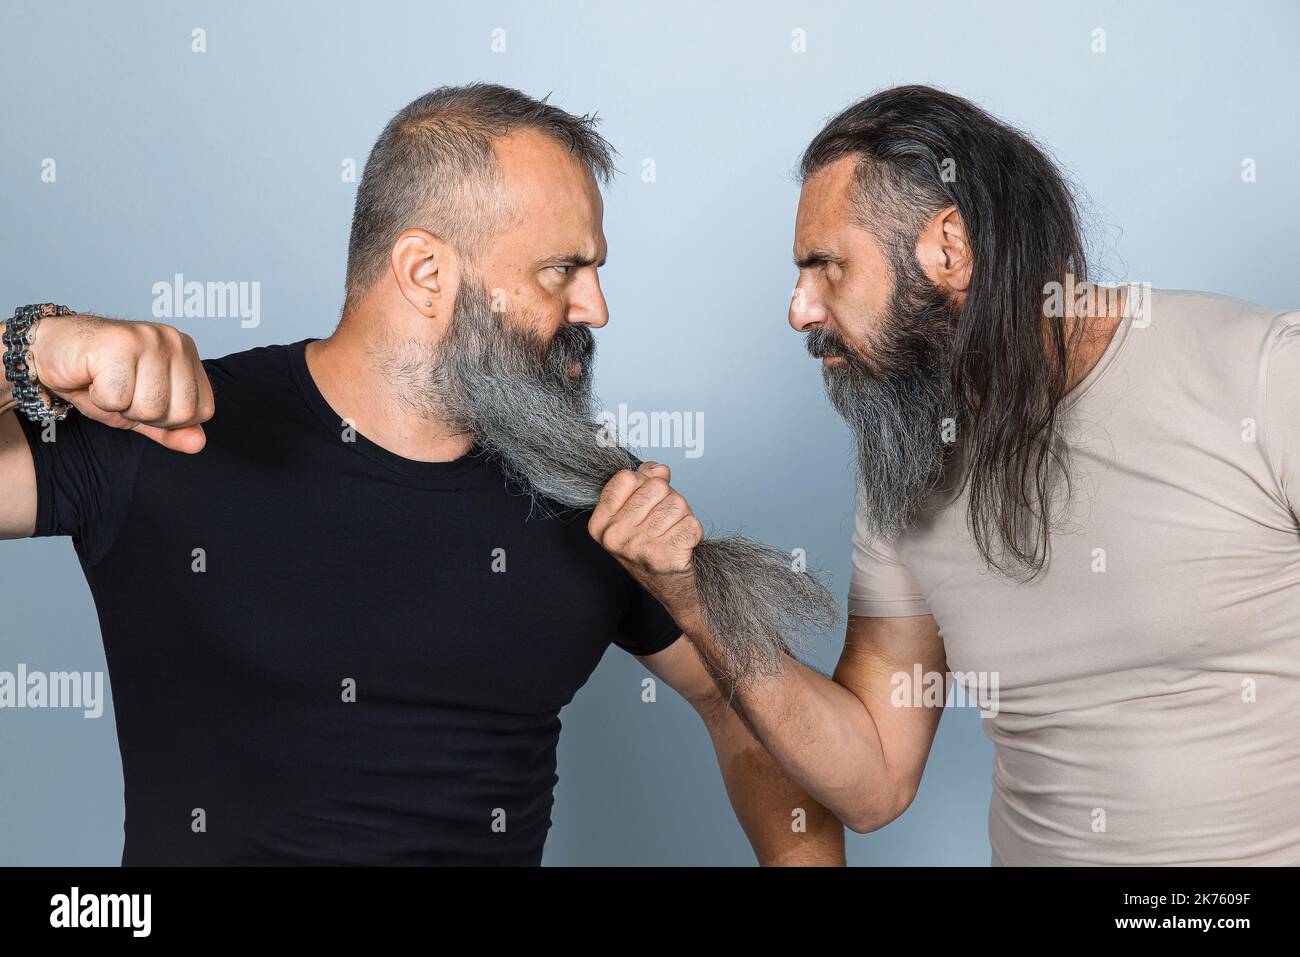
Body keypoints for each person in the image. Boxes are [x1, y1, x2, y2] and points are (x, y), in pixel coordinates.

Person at [0, 83, 844, 866]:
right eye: (563, 270)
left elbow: (752, 713)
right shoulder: (160, 424)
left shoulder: (598, 498)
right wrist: (31, 348)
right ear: (426, 273)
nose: (595, 308)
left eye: (595, 271)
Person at [595, 85, 1300, 865]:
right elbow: (874, 780)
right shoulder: (907, 463)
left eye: (826, 266)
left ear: (950, 248)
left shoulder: (1262, 375)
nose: (799, 309)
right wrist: (695, 598)